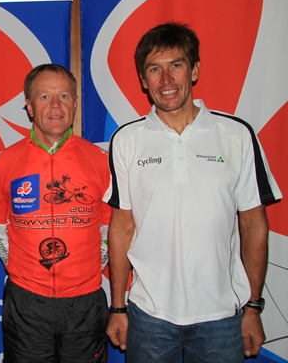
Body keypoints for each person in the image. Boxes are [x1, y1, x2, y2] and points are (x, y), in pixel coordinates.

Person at [105, 22, 282, 362]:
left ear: (195, 70)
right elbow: (122, 227)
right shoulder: (127, 140)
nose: (166, 79)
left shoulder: (236, 135)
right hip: (149, 315)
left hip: (222, 316)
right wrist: (118, 307)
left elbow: (253, 224)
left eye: (176, 65)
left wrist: (253, 306)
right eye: (154, 69)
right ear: (143, 80)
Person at [0, 64, 111, 362]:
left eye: (64, 96)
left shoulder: (100, 161)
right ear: (29, 106)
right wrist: (20, 269)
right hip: (27, 302)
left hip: (85, 302)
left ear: (75, 104)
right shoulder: (4, 163)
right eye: (44, 97)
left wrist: (90, 269)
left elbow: (110, 228)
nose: (56, 105)